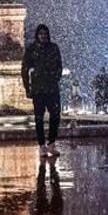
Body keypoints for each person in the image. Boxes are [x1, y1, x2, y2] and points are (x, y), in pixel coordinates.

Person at [22, 24, 63, 157]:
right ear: (37, 35)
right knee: (39, 118)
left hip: (51, 88)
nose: (43, 36)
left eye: (45, 33)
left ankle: (51, 143)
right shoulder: (31, 49)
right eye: (41, 34)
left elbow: (59, 66)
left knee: (55, 116)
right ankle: (42, 146)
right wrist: (27, 87)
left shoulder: (53, 48)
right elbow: (24, 69)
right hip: (38, 88)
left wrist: (55, 78)